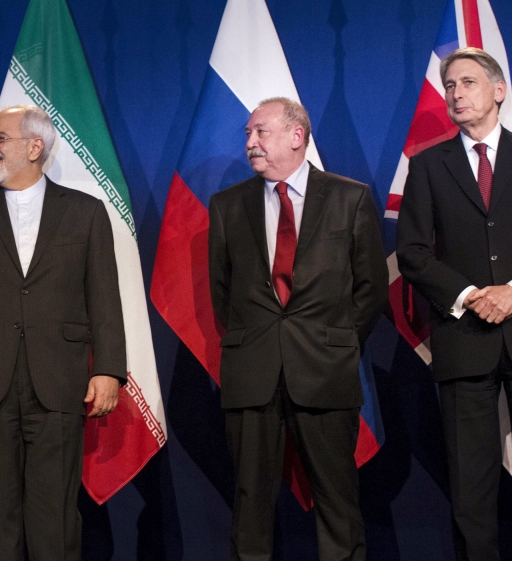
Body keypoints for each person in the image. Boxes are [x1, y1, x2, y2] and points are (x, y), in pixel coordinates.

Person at [0, 104, 126, 561]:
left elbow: (104, 297)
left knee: (55, 519)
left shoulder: (86, 212)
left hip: (59, 380)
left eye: (0, 138)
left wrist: (109, 369)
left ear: (35, 147)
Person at [208, 97, 388, 561]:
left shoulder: (350, 198)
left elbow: (371, 288)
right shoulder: (227, 205)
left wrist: (335, 345)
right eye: (248, 134)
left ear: (296, 136)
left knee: (337, 499)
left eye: (260, 132)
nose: (250, 143)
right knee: (250, 502)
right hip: (253, 374)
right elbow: (223, 293)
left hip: (325, 371)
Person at [397, 47, 512, 561]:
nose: (456, 93)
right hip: (464, 340)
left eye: (467, 82)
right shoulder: (427, 166)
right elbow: (412, 253)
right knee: (471, 489)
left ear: (499, 91)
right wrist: (470, 296)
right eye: (449, 85)